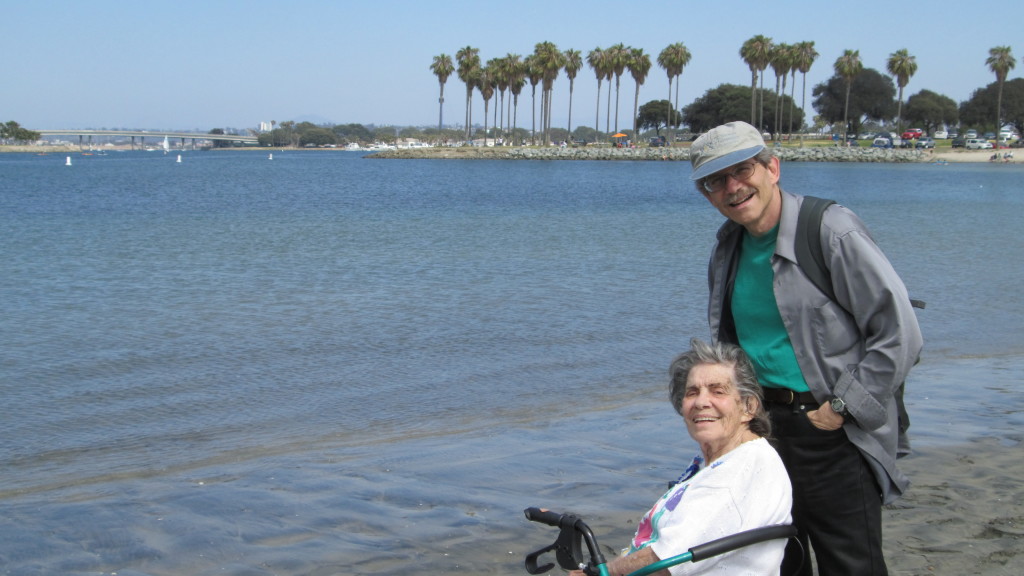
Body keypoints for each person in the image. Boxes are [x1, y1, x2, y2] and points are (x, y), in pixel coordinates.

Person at [689, 121, 923, 575]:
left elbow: (900, 332)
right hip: (763, 434)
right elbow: (733, 347)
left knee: (850, 565)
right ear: (707, 194)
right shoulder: (727, 247)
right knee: (778, 562)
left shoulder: (830, 230)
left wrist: (840, 408)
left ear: (772, 168)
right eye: (716, 181)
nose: (733, 187)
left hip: (832, 432)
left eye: (742, 170)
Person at [570, 339, 792, 576]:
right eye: (692, 392)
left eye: (718, 391)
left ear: (749, 407)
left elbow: (665, 562)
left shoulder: (735, 476)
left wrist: (602, 573)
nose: (701, 402)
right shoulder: (730, 457)